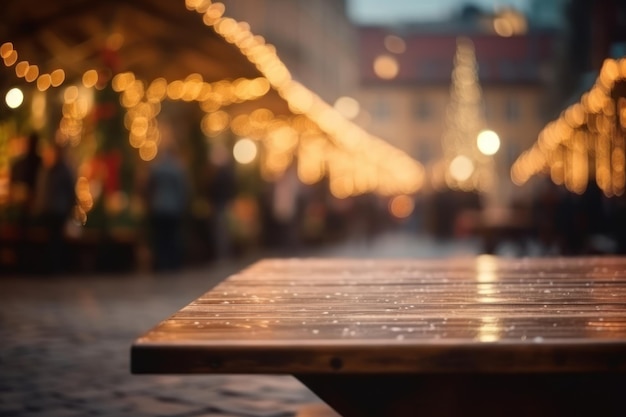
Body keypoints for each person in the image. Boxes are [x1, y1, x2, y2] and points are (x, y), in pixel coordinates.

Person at [145, 142, 190, 272]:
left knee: (160, 238)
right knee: (173, 236)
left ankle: (162, 263)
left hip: (158, 207)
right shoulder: (178, 169)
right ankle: (173, 263)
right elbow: (183, 189)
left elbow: (149, 188)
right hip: (174, 208)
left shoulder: (156, 168)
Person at [34, 141, 76, 273]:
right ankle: (50, 265)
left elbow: (70, 191)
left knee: (56, 239)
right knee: (50, 239)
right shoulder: (46, 169)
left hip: (58, 210)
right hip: (49, 210)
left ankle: (55, 266)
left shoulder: (63, 170)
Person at [9, 132, 43, 272]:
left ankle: (25, 263)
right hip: (27, 205)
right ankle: (26, 263)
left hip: (31, 206)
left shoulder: (35, 163)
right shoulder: (34, 163)